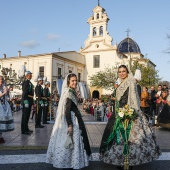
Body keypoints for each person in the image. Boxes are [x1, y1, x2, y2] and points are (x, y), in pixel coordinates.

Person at [99, 65, 161, 170]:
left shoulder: (131, 82)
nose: (122, 73)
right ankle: (121, 160)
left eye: (124, 71)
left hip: (129, 113)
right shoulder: (120, 83)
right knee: (119, 139)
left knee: (130, 139)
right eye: (120, 72)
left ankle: (129, 162)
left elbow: (133, 99)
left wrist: (129, 113)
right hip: (119, 113)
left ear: (127, 72)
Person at [46, 73, 91, 170]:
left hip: (73, 118)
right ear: (68, 82)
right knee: (70, 142)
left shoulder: (71, 91)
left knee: (69, 143)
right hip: (71, 120)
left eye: (76, 81)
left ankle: (69, 161)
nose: (75, 82)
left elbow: (72, 106)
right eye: (72, 81)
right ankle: (67, 162)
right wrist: (70, 125)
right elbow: (67, 110)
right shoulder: (68, 93)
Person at [0, 76, 14, 144]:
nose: (1, 80)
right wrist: (4, 93)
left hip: (3, 105)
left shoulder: (3, 86)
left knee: (3, 121)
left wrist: (7, 92)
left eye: (2, 79)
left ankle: (0, 136)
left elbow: (7, 97)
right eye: (0, 79)